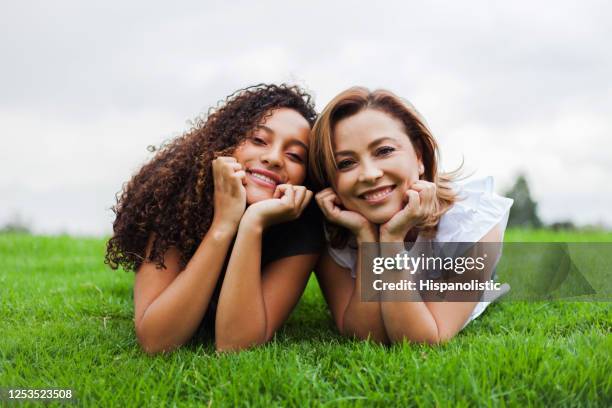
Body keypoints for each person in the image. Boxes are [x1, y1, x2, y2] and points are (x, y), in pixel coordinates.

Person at [105, 84, 323, 353]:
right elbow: (156, 340)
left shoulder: (305, 222)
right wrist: (224, 224)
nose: (274, 158)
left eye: (294, 155)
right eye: (258, 140)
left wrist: (252, 224)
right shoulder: (181, 199)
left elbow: (236, 345)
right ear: (226, 143)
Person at [308, 87, 512, 345]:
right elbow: (366, 335)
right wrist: (367, 239)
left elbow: (422, 340)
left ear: (419, 157)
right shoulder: (331, 227)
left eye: (384, 151)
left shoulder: (473, 219)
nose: (369, 174)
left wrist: (392, 239)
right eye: (346, 163)